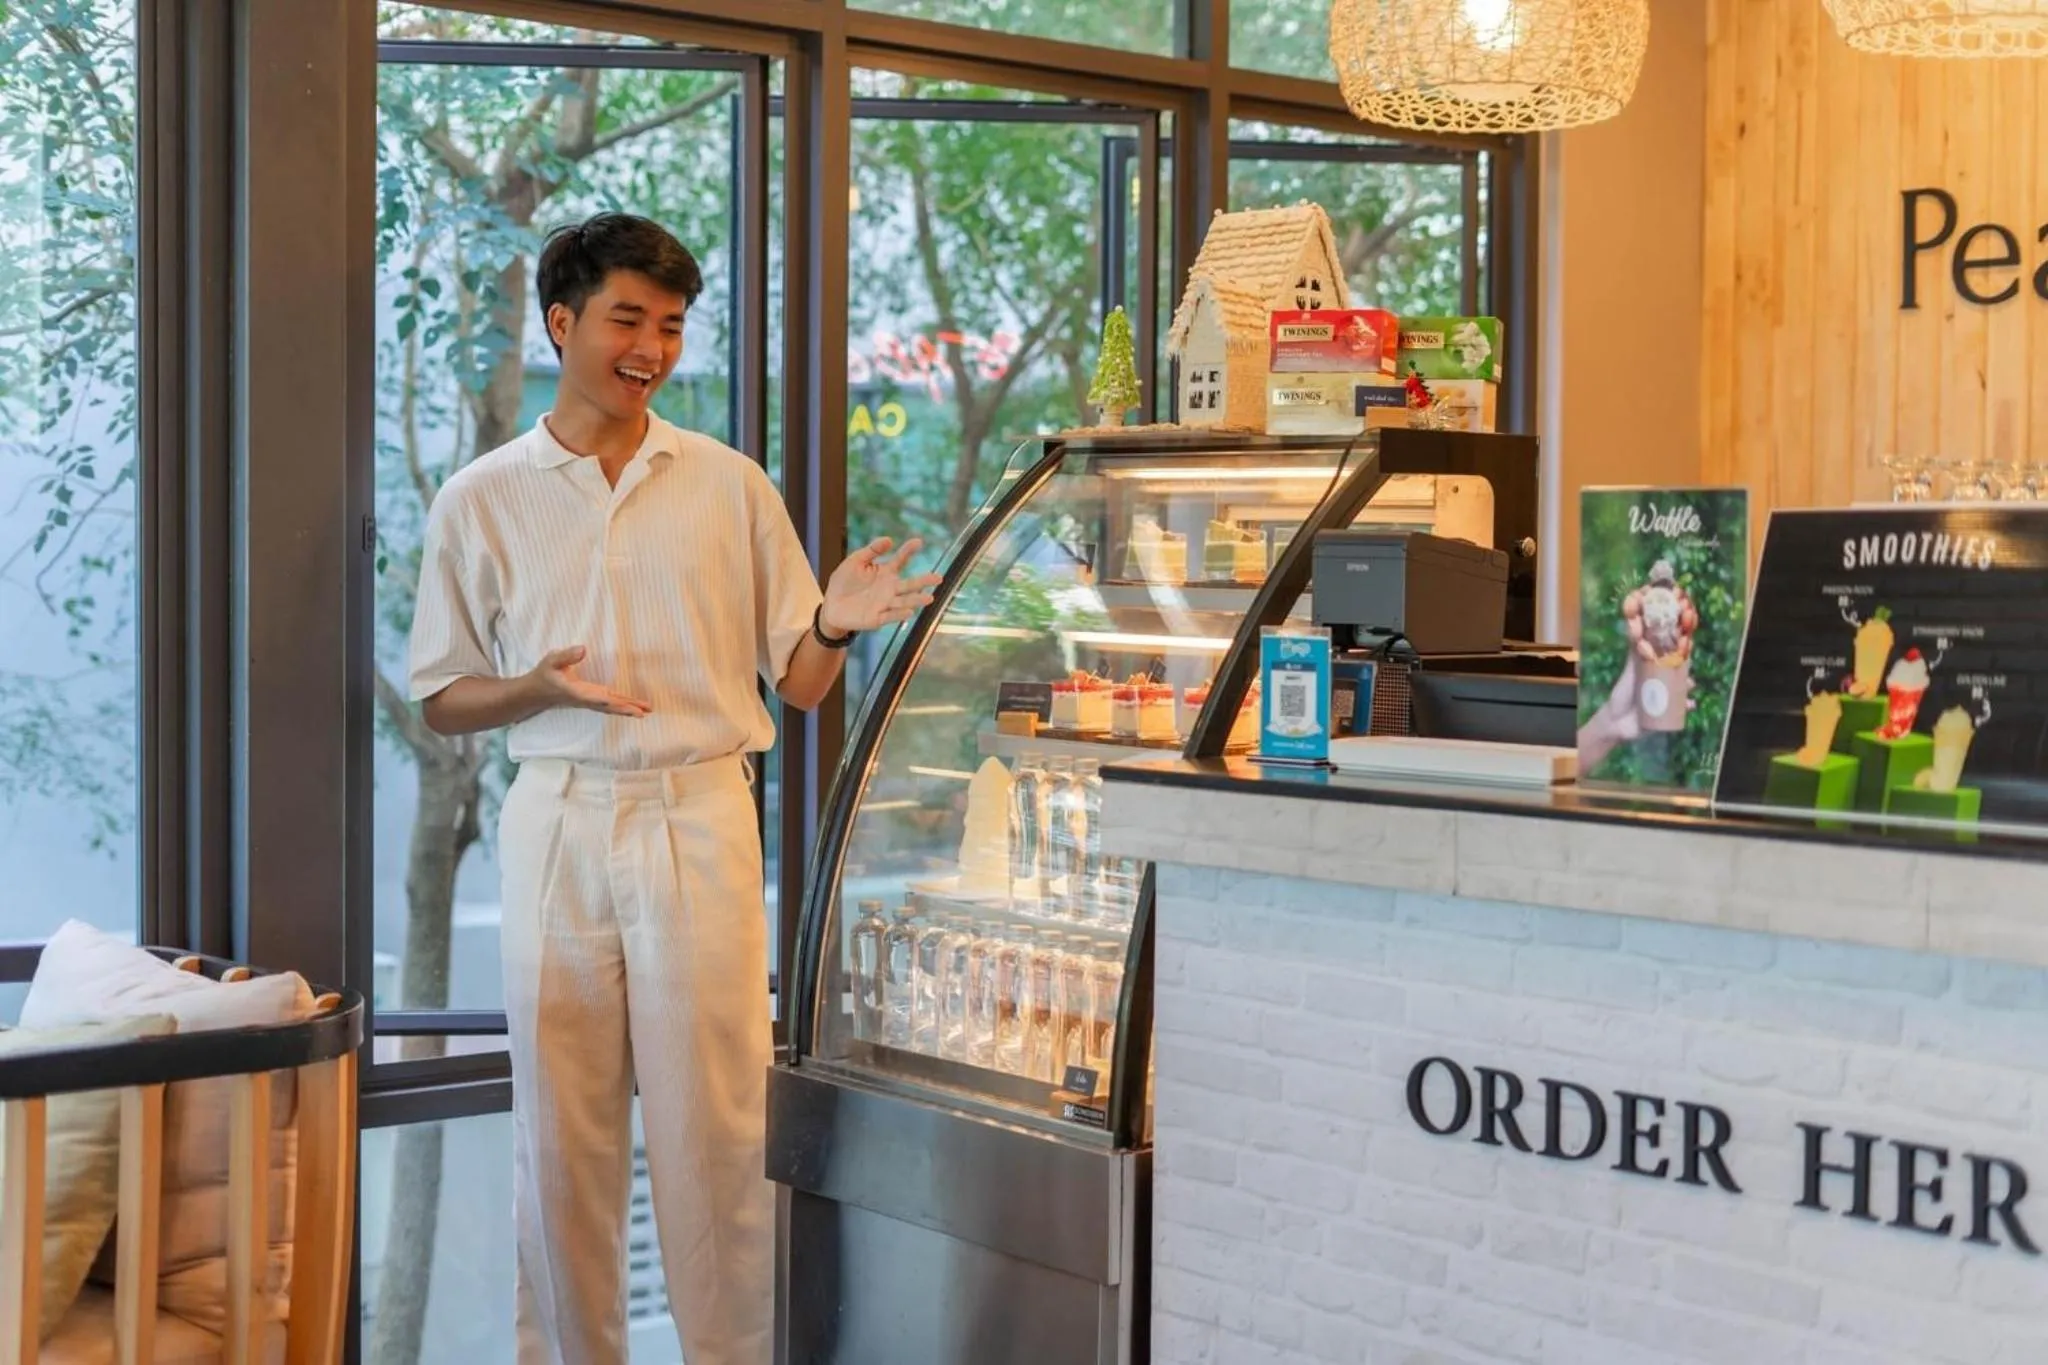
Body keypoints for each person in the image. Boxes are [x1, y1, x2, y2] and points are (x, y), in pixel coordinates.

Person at [406, 212, 939, 1365]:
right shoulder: (481, 498)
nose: (650, 347)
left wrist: (834, 624)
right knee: (561, 1137)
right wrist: (534, 688)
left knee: (718, 1130)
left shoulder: (728, 485)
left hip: (700, 813)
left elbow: (799, 685)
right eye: (626, 320)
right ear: (561, 324)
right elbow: (442, 696)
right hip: (555, 817)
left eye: (671, 325)